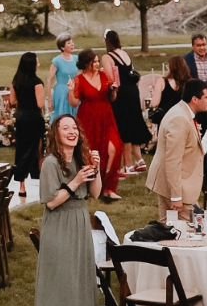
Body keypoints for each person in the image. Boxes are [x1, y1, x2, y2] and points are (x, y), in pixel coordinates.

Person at [35, 114, 101, 306]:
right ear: (56, 134)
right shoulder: (51, 163)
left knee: (79, 280)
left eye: (74, 127)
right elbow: (51, 201)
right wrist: (75, 181)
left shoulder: (81, 159)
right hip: (59, 223)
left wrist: (96, 169)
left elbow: (94, 193)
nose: (72, 132)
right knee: (59, 282)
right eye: (66, 128)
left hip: (80, 220)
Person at [146, 82, 207, 220]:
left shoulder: (182, 112)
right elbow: (173, 160)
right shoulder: (179, 119)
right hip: (176, 186)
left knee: (170, 229)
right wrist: (176, 196)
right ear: (195, 99)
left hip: (177, 184)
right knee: (185, 231)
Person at [70, 48, 121, 202]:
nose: (98, 64)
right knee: (89, 152)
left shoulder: (104, 76)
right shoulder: (79, 79)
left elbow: (112, 98)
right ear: (87, 63)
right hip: (88, 119)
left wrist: (113, 91)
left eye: (98, 61)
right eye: (95, 61)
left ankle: (109, 186)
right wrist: (70, 91)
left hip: (107, 117)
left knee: (115, 147)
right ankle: (89, 186)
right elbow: (74, 102)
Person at [104, 28, 148, 176]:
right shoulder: (125, 54)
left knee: (123, 127)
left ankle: (128, 164)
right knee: (134, 123)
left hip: (121, 93)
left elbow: (111, 78)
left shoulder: (108, 57)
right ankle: (139, 160)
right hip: (133, 91)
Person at [8, 51, 46, 184]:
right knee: (37, 149)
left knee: (21, 149)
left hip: (21, 117)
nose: (39, 63)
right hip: (34, 118)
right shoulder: (37, 83)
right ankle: (37, 177)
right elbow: (40, 104)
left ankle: (21, 183)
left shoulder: (16, 81)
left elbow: (12, 101)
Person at [47, 35, 79, 123]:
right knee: (62, 117)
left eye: (72, 42)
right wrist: (50, 100)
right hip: (62, 92)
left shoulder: (76, 59)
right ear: (62, 47)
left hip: (75, 90)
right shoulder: (57, 61)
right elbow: (49, 80)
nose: (72, 45)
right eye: (69, 43)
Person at [153, 54, 191, 125]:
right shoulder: (189, 82)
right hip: (183, 118)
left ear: (171, 67)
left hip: (165, 119)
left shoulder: (161, 81)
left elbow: (154, 103)